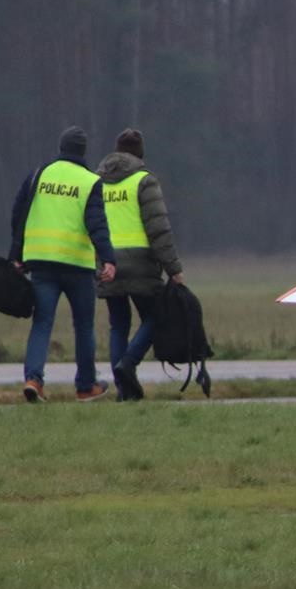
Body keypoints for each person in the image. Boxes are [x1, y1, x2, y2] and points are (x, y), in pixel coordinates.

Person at [10, 126, 117, 402]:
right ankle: (86, 386)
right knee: (83, 326)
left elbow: (19, 213)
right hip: (77, 265)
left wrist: (16, 254)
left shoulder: (39, 175)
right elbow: (97, 224)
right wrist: (108, 259)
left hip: (42, 263)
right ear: (83, 151)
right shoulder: (90, 181)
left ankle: (33, 380)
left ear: (61, 147)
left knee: (42, 323)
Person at [96, 128, 184, 401]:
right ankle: (129, 363)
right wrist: (173, 269)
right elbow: (159, 230)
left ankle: (124, 390)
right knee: (156, 317)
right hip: (141, 265)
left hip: (107, 263)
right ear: (140, 153)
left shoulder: (97, 181)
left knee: (118, 324)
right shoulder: (144, 181)